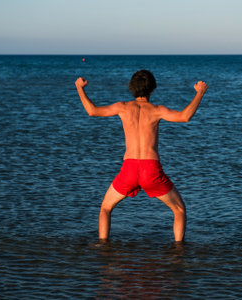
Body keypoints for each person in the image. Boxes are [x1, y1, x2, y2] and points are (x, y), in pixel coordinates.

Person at [75, 70, 207, 242]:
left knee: (106, 208)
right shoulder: (157, 110)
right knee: (179, 210)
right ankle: (178, 252)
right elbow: (185, 116)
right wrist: (200, 93)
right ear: (152, 88)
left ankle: (103, 248)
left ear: (132, 88)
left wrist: (80, 88)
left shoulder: (122, 107)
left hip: (129, 169)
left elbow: (92, 111)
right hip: (150, 170)